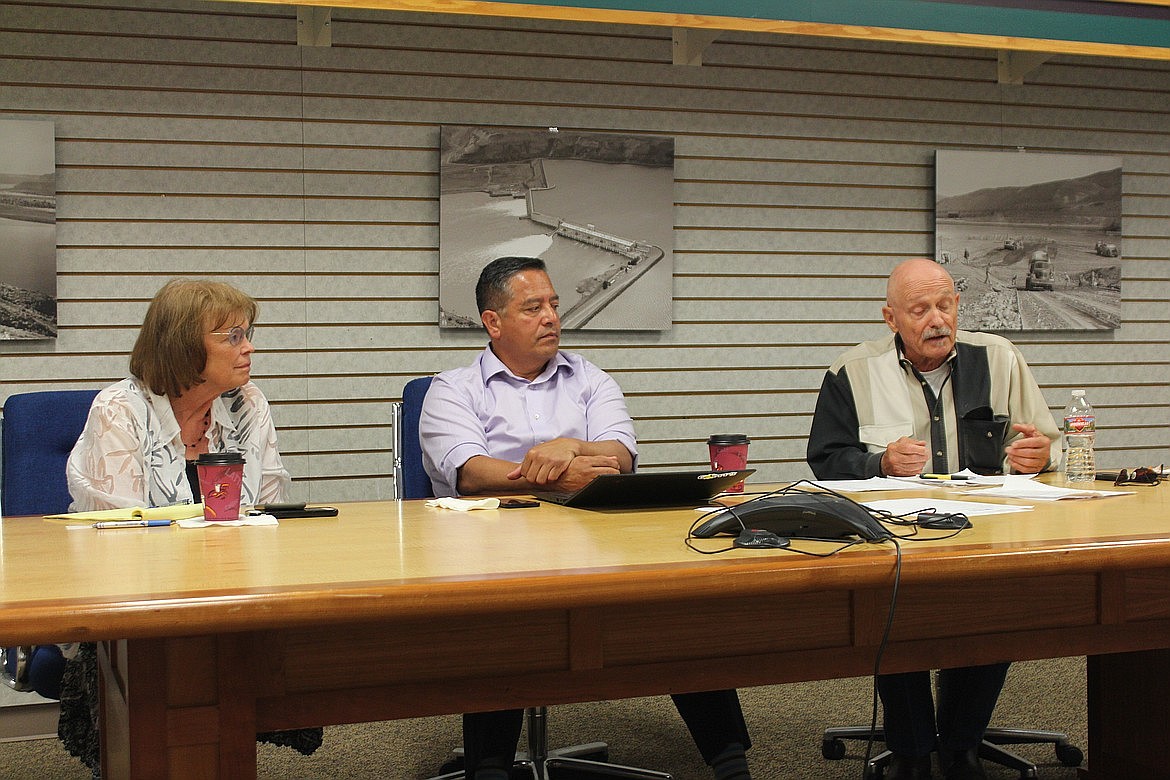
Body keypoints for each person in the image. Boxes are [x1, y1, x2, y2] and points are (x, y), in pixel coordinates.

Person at [420, 257, 753, 780]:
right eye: (533, 308)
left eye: (553, 303)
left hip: (594, 538)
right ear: (493, 322)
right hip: (492, 546)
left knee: (672, 601)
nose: (551, 316)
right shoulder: (453, 389)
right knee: (503, 611)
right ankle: (490, 766)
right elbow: (471, 472)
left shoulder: (590, 379)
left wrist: (570, 445)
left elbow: (618, 457)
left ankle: (729, 757)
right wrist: (559, 475)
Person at [806, 258, 1060, 780]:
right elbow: (827, 460)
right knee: (895, 613)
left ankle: (963, 742)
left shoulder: (1000, 358)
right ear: (890, 317)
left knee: (996, 610)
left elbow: (1043, 444)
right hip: (896, 538)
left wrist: (1039, 455)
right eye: (919, 310)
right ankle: (912, 749)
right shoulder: (851, 371)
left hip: (988, 533)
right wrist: (878, 462)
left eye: (945, 305)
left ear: (958, 305)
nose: (936, 320)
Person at [60, 279, 320, 776]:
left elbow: (266, 512)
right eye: (233, 337)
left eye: (248, 334)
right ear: (183, 347)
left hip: (233, 594)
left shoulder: (248, 404)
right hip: (137, 607)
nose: (249, 348)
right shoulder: (120, 410)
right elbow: (121, 532)